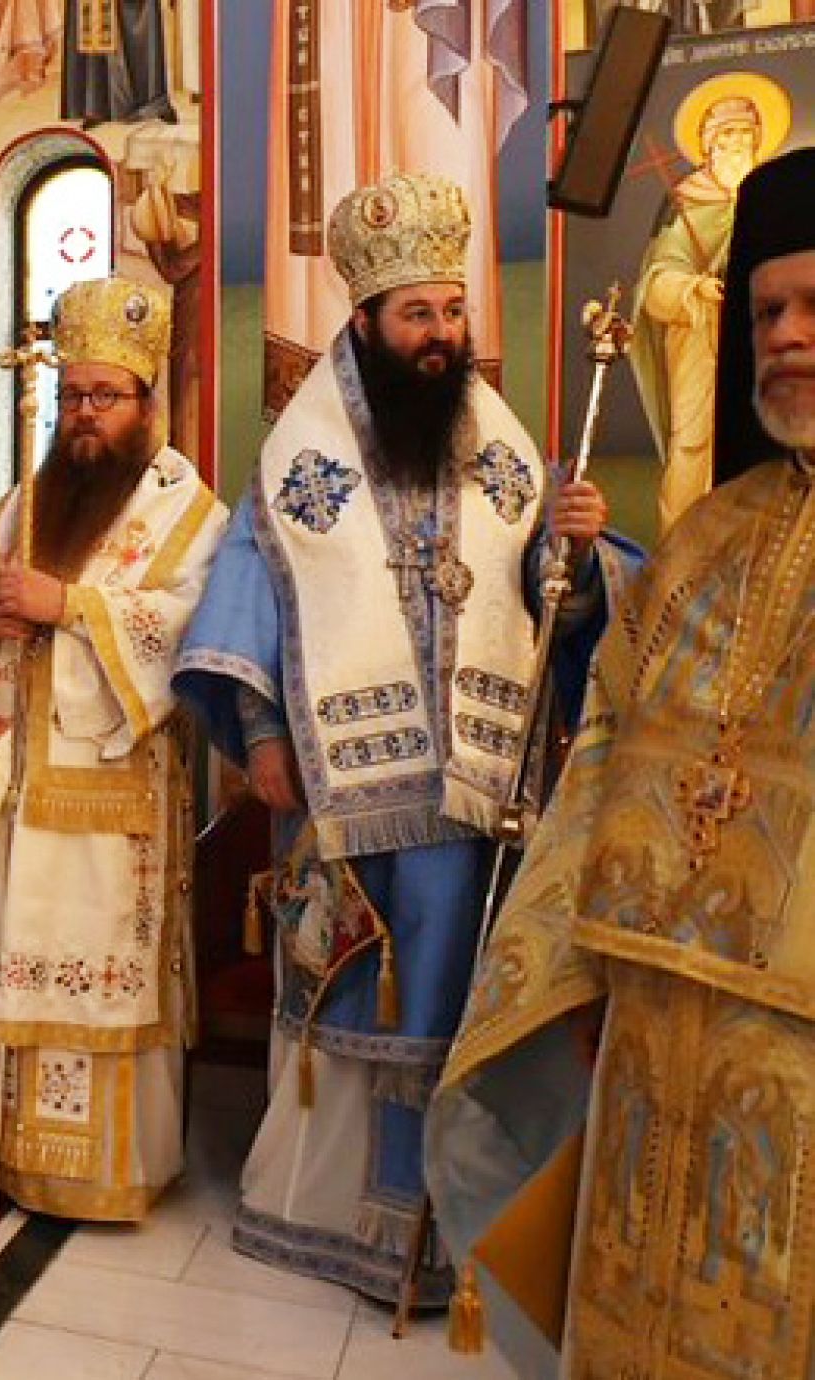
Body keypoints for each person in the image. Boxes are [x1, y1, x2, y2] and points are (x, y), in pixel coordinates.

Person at [174, 171, 623, 1305]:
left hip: (475, 788)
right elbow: (253, 599)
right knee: (350, 991)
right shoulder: (301, 456)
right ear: (367, 320)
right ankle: (341, 1219)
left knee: (456, 996)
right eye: (417, 314)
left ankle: (446, 1228)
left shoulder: (499, 447)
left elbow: (550, 602)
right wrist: (261, 737)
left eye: (453, 312)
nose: (441, 335)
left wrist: (574, 555)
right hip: (342, 795)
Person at [428, 145, 815, 1380]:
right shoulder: (707, 542)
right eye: (766, 312)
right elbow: (606, 749)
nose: (786, 338)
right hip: (651, 1037)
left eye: (814, 306)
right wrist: (576, 969)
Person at [0, 277, 224, 1219]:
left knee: (95, 969)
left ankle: (91, 1171)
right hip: (12, 787)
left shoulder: (186, 509)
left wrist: (72, 606)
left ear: (146, 403)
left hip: (112, 796)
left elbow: (191, 624)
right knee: (2, 949)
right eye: (73, 396)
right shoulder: (21, 504)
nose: (86, 413)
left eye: (105, 396)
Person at [634, 92, 763, 532]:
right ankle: (682, 550)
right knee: (693, 447)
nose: (736, 147)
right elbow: (658, 282)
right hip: (698, 341)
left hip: (757, 342)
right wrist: (696, 289)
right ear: (709, 146)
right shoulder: (685, 204)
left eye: (745, 137)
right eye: (727, 138)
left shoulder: (769, 200)